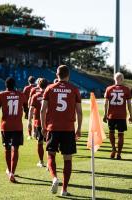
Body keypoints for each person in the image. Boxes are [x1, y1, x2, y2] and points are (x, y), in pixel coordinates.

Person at [40, 65, 82, 196]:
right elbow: (79, 112)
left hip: (53, 128)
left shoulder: (49, 88)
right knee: (67, 159)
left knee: (51, 155)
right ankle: (64, 189)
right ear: (68, 75)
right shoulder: (74, 89)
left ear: (57, 75)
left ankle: (54, 178)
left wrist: (43, 127)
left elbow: (42, 110)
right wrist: (79, 129)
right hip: (68, 129)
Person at [0, 77, 27, 183]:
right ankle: (12, 171)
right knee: (15, 149)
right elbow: (26, 109)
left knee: (7, 149)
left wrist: (0, 105)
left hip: (6, 126)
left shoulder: (1, 95)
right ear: (15, 85)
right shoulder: (21, 95)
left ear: (6, 85)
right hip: (17, 126)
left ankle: (9, 171)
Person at [103, 72, 132, 160]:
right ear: (122, 79)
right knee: (121, 135)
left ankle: (113, 149)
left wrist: (105, 114)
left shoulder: (109, 89)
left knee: (111, 132)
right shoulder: (126, 89)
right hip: (122, 116)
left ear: (114, 79)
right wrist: (130, 115)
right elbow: (129, 104)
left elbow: (105, 103)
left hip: (111, 115)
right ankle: (119, 153)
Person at [28, 78, 48, 168]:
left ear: (38, 86)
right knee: (49, 143)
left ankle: (41, 161)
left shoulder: (35, 96)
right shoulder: (50, 95)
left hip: (38, 123)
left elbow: (31, 109)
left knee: (39, 142)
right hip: (49, 123)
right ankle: (50, 163)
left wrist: (29, 121)